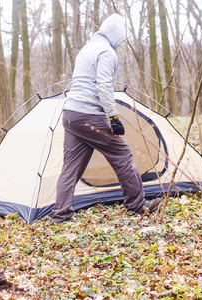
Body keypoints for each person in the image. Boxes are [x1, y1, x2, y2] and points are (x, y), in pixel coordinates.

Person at [52, 13, 161, 224]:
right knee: (122, 154)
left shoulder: (87, 49)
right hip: (89, 116)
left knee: (71, 168)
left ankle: (61, 214)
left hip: (71, 115)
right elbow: (103, 86)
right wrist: (113, 118)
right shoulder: (107, 52)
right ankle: (137, 205)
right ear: (116, 34)